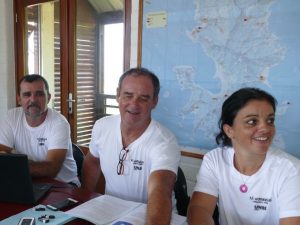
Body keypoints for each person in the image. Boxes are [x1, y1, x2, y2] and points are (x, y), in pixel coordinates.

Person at [82, 67, 180, 225]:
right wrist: (86, 199)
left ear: (154, 102)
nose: (134, 104)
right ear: (117, 95)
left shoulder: (164, 141)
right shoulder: (102, 126)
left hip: (151, 216)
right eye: (128, 95)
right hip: (110, 212)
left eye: (143, 98)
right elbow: (92, 162)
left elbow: (160, 190)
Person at [188, 87, 300, 225]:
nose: (265, 128)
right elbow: (199, 208)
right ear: (229, 130)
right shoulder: (215, 160)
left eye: (270, 120)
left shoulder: (291, 170)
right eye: (252, 121)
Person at [0, 74, 80, 186]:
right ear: (19, 99)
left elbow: (51, 169)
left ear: (49, 98)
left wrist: (13, 162)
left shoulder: (59, 123)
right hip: (28, 181)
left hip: (63, 185)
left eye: (39, 94)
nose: (33, 100)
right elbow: (1, 154)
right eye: (27, 94)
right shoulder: (11, 117)